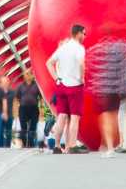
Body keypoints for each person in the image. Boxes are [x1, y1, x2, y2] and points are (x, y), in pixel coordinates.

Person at [87, 28, 126, 157]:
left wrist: (94, 80)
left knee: (105, 119)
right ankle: (116, 144)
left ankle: (110, 147)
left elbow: (88, 63)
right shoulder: (121, 48)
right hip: (116, 90)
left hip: (101, 90)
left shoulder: (96, 49)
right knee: (115, 118)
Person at [46, 24, 88, 153]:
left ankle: (57, 146)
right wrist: (82, 78)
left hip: (61, 85)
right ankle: (72, 145)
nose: (85, 36)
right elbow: (81, 64)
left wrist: (57, 78)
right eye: (84, 33)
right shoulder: (79, 48)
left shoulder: (63, 47)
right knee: (75, 117)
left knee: (62, 116)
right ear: (78, 33)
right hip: (75, 85)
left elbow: (49, 63)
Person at [16, 71, 42, 148]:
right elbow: (17, 97)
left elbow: (40, 97)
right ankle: (24, 143)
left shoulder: (36, 85)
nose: (27, 75)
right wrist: (19, 104)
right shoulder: (20, 86)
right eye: (26, 74)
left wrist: (41, 108)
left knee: (33, 126)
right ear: (24, 75)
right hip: (23, 108)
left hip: (34, 108)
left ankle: (31, 143)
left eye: (29, 74)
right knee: (23, 126)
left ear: (32, 75)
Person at [0, 75, 17, 147]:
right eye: (3, 82)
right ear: (0, 83)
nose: (5, 83)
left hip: (10, 115)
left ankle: (8, 146)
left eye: (6, 82)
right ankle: (0, 146)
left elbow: (15, 103)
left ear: (8, 83)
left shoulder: (12, 92)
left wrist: (15, 114)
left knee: (8, 131)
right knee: (0, 131)